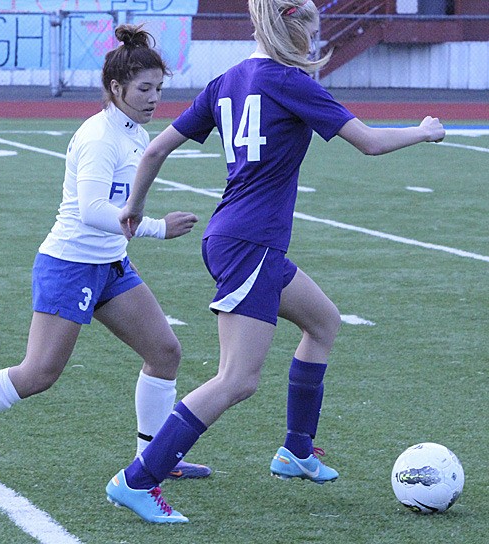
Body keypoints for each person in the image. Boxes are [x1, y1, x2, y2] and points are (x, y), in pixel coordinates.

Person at [105, 0, 446, 524]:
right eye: (313, 30)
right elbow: (371, 143)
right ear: (296, 31)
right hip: (251, 244)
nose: (316, 41)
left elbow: (153, 153)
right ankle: (137, 479)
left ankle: (296, 451)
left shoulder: (228, 80)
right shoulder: (292, 82)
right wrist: (424, 132)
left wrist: (134, 207)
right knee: (237, 379)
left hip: (238, 238)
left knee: (323, 322)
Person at [0, 24, 212, 486]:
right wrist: (157, 228)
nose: (155, 98)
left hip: (110, 265)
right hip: (70, 265)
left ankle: (154, 460)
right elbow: (93, 211)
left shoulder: (131, 131)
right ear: (116, 88)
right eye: (144, 89)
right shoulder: (100, 137)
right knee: (39, 373)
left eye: (159, 88)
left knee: (165, 352)